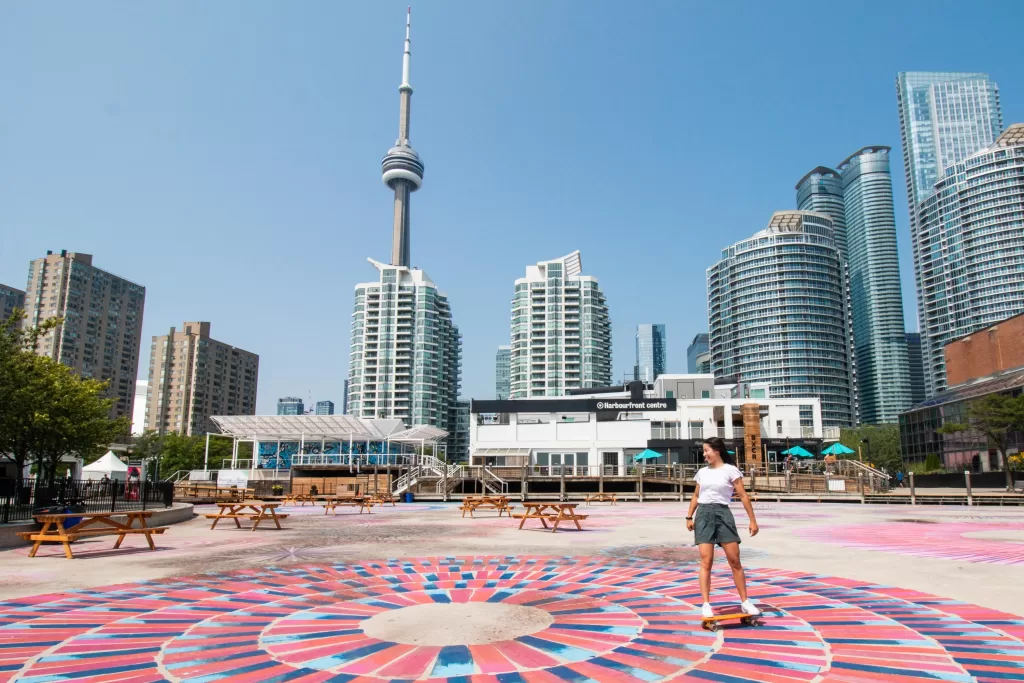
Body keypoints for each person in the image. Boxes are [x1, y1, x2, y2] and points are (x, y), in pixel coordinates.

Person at [686, 437, 760, 619]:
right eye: (703, 451)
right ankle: (706, 604)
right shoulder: (702, 472)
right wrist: (689, 516)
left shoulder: (730, 470)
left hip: (723, 514)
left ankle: (745, 602)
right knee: (706, 561)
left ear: (716, 450)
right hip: (703, 514)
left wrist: (752, 520)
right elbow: (696, 496)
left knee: (735, 560)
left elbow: (743, 495)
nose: (704, 454)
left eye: (706, 451)